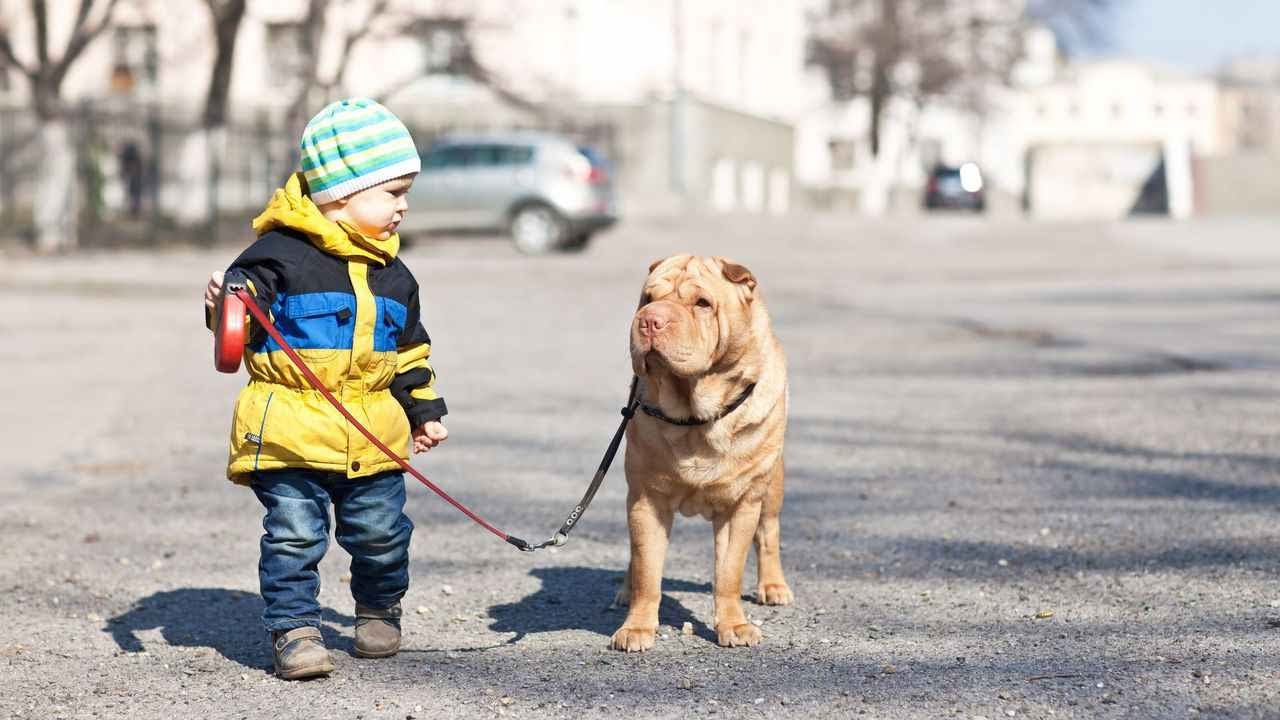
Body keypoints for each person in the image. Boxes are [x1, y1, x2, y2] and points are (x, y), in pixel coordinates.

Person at [202, 98, 448, 680]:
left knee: (383, 534)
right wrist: (224, 301)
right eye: (392, 193)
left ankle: (378, 607)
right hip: (290, 430)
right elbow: (238, 319)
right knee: (293, 536)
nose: (403, 206)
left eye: (405, 192)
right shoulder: (275, 258)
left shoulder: (395, 275)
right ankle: (295, 630)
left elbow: (410, 349)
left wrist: (422, 408)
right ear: (340, 193)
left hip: (372, 434)